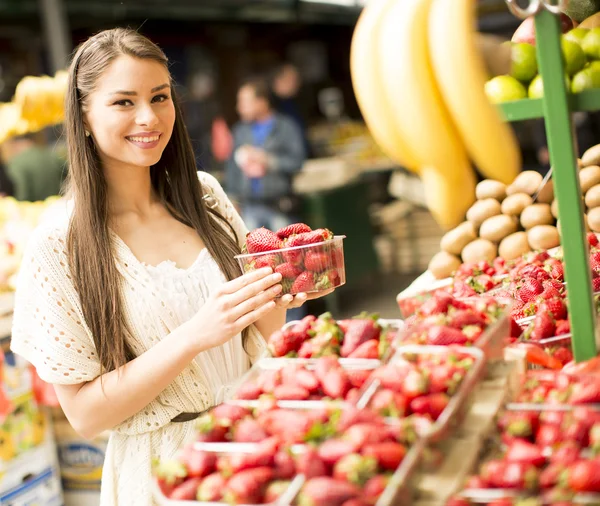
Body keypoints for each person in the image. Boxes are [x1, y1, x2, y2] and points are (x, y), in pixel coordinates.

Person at [9, 29, 333, 506]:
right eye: (124, 102)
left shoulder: (206, 198)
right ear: (83, 115)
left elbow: (253, 342)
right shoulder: (60, 245)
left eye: (160, 97)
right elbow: (84, 415)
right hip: (164, 477)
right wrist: (196, 334)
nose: (149, 117)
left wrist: (278, 295)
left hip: (256, 445)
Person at [226, 77, 306, 232]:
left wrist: (268, 160)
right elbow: (231, 167)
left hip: (279, 205)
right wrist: (232, 199)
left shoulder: (285, 127)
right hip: (249, 206)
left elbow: (297, 162)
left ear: (262, 101)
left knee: (285, 253)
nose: (239, 108)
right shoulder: (240, 131)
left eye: (245, 102)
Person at [2, 133, 66, 201]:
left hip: (34, 209)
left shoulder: (17, 163)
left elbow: (22, 194)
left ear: (16, 144)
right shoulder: (51, 155)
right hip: (57, 205)